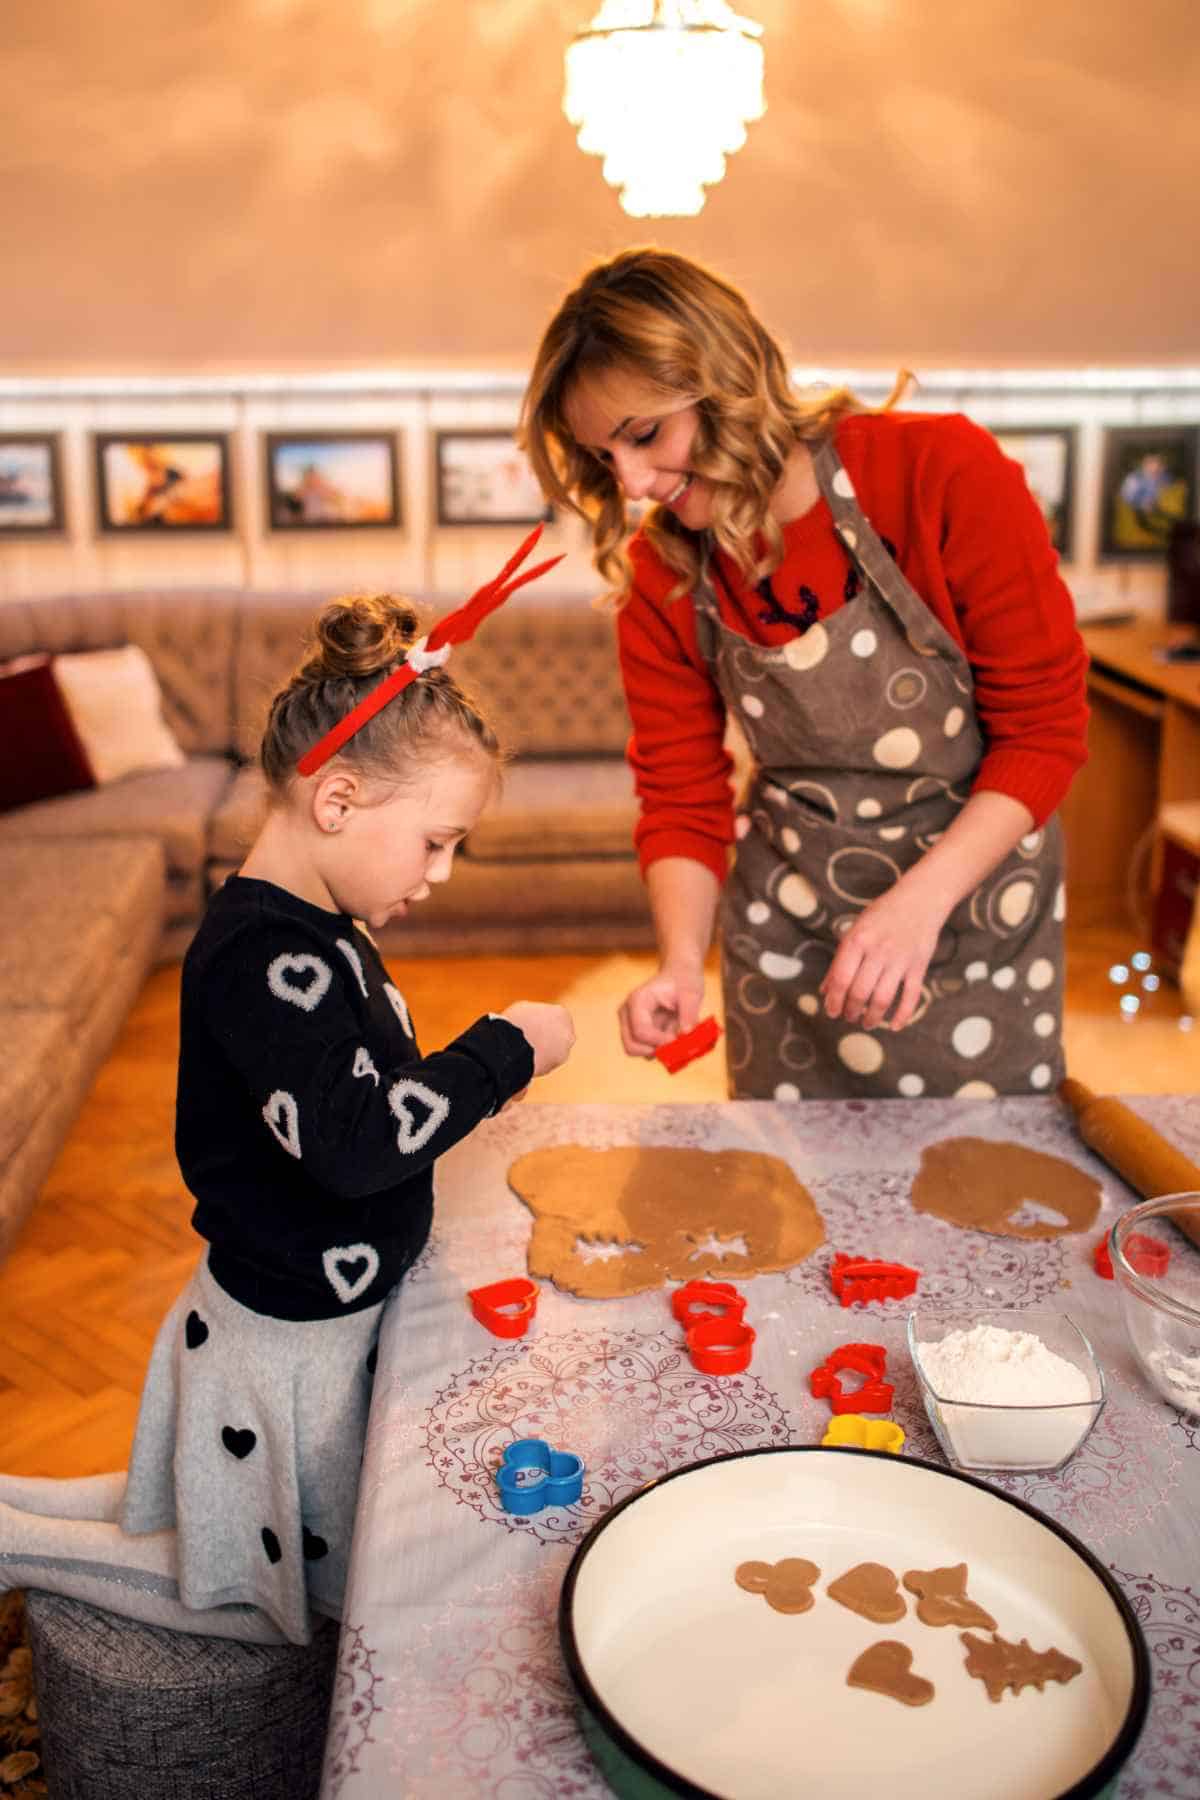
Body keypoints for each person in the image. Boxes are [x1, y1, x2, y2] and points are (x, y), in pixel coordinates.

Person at [0, 575, 574, 1644]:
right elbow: (358, 1145)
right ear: (339, 801)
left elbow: (361, 1097)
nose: (442, 874)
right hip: (285, 1348)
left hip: (305, 1323)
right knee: (259, 1597)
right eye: (437, 840)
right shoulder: (266, 957)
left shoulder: (318, 926)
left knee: (205, 1526)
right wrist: (507, 1051)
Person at [520, 247, 1089, 1101]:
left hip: (969, 911)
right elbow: (681, 794)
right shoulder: (664, 573)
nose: (634, 484)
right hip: (787, 931)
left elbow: (1043, 731)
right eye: (606, 459)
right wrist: (679, 963)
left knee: (989, 1186)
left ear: (729, 376)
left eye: (645, 435)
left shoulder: (938, 474)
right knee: (793, 1198)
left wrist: (917, 904)